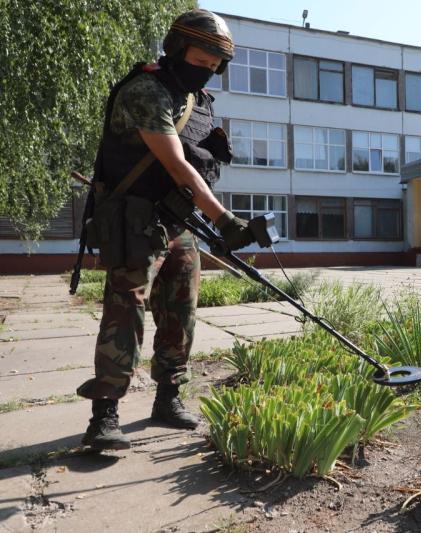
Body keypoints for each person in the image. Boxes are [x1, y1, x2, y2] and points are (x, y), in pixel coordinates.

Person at [76, 9, 257, 450]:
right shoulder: (146, 91)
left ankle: (168, 399)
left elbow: (196, 163)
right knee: (126, 310)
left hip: (177, 222)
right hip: (134, 220)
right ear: (177, 49)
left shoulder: (191, 100)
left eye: (216, 67)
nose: (207, 73)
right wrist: (226, 221)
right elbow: (176, 164)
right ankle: (105, 415)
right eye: (202, 61)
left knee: (181, 309)